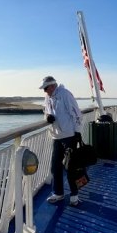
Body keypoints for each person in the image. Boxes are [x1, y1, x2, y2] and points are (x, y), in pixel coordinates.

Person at [40, 75, 84, 206]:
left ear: (53, 86)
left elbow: (77, 114)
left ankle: (74, 195)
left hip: (69, 136)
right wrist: (47, 117)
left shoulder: (65, 94)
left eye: (46, 88)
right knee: (55, 167)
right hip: (56, 136)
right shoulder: (48, 98)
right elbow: (46, 112)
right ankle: (58, 193)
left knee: (71, 167)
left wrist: (77, 132)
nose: (45, 91)